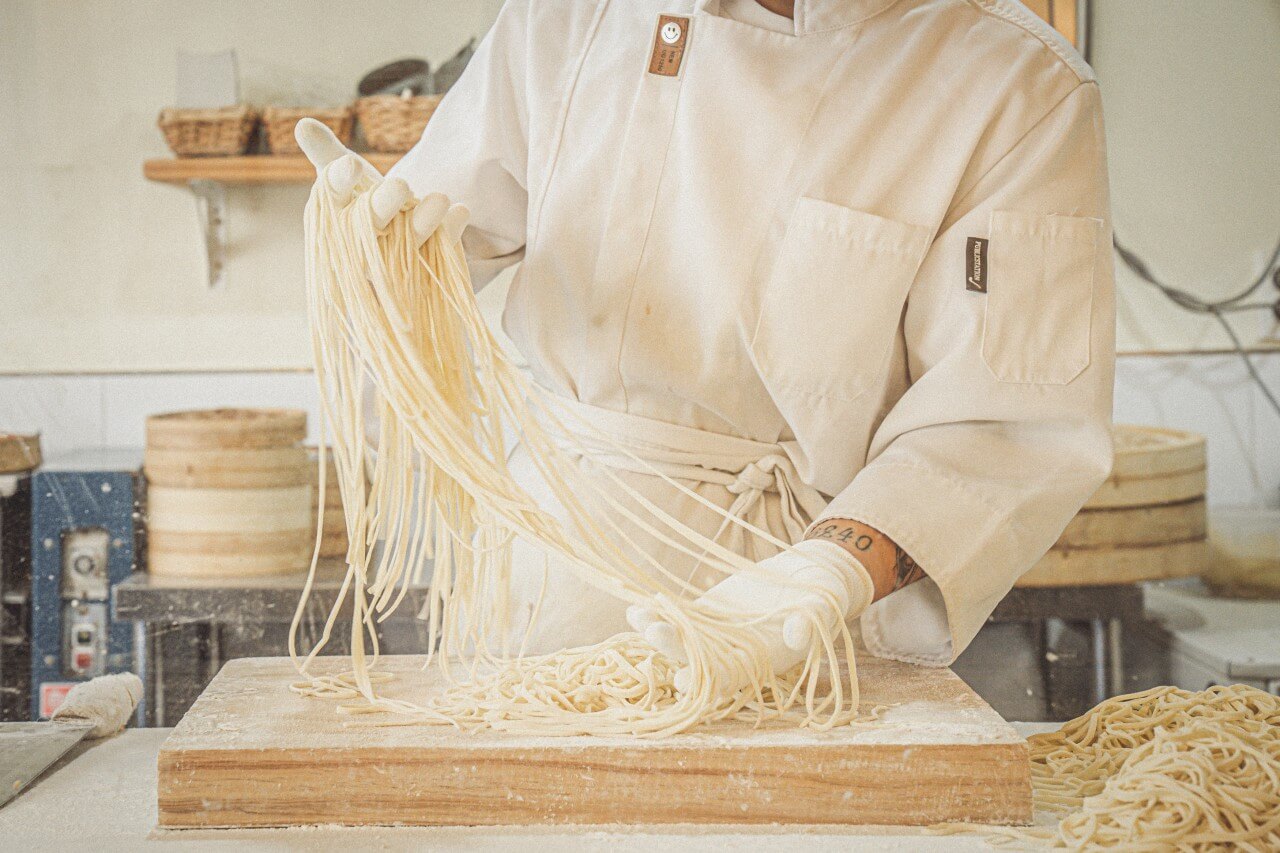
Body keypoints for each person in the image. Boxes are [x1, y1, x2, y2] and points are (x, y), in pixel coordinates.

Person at [298, 0, 1114, 685]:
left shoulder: (1017, 87)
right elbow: (439, 235)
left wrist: (822, 578)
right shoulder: (569, 14)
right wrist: (377, 253)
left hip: (789, 615)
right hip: (544, 577)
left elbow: (1000, 431)